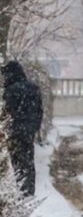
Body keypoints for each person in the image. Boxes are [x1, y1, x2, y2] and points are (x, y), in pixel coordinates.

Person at [1, 61, 43, 195]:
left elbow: (7, 112)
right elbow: (39, 112)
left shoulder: (10, 90)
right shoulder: (34, 88)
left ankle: (21, 192)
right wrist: (33, 128)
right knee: (29, 161)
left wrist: (7, 129)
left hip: (14, 132)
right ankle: (29, 191)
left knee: (17, 162)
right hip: (28, 132)